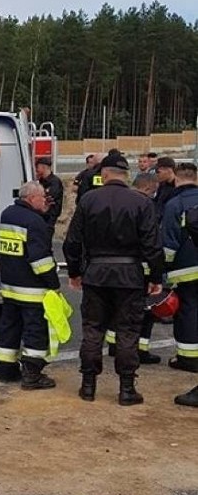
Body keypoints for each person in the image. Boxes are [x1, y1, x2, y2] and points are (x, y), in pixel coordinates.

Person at [63, 150, 164, 405]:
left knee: (93, 329)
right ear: (126, 175)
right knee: (128, 331)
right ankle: (127, 389)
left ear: (104, 174)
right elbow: (153, 244)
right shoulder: (141, 203)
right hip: (129, 275)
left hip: (96, 274)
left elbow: (72, 241)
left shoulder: (88, 201)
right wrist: (156, 275)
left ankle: (88, 385)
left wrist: (75, 272)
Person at [0, 181, 61, 388]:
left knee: (9, 329)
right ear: (32, 198)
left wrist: (44, 213)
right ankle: (32, 375)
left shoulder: (7, 215)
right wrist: (54, 283)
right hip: (32, 289)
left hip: (9, 286)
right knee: (35, 332)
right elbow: (39, 260)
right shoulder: (34, 222)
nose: (45, 200)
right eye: (43, 197)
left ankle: (6, 370)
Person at [104, 171, 162, 364]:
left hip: (111, 266)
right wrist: (157, 274)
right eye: (153, 191)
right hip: (138, 268)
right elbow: (151, 242)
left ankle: (113, 344)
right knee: (142, 311)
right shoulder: (145, 206)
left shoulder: (120, 203)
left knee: (115, 307)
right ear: (147, 188)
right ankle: (139, 350)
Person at [161, 162, 198, 373]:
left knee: (187, 311)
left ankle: (188, 357)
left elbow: (169, 243)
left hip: (185, 270)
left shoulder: (175, 204)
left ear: (175, 177)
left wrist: (162, 269)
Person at [35, 157, 64, 237]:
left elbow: (49, 197)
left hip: (50, 214)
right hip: (41, 214)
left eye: (38, 167)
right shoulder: (41, 181)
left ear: (44, 167)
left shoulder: (55, 182)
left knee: (46, 235)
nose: (36, 170)